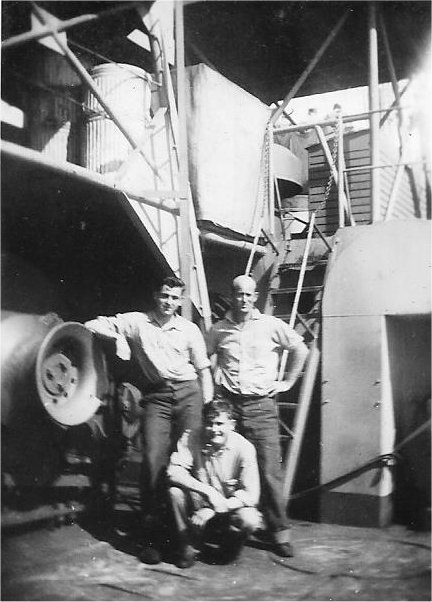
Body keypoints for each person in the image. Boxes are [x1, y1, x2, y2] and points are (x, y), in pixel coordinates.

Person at [84, 276, 214, 564]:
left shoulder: (189, 329)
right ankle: (152, 537)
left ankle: (186, 540)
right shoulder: (137, 322)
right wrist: (118, 338)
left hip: (189, 394)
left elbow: (204, 370)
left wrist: (206, 405)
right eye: (164, 295)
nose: (168, 302)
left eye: (174, 298)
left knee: (189, 462)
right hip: (157, 395)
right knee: (153, 461)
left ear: (180, 300)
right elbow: (91, 324)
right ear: (156, 295)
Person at [206, 275, 309, 558]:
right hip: (229, 407)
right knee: (226, 466)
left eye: (248, 294)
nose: (243, 299)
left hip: (261, 406)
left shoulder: (271, 325)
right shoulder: (218, 329)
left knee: (268, 469)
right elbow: (204, 357)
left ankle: (279, 533)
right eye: (238, 294)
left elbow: (301, 349)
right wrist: (212, 386)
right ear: (232, 296)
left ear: (255, 297)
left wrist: (287, 382)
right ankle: (226, 524)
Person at [167, 398, 262, 568]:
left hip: (229, 508)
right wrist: (208, 492)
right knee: (175, 493)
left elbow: (251, 496)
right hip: (199, 503)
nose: (214, 429)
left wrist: (214, 508)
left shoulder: (245, 448)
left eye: (219, 424)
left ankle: (228, 548)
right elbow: (173, 471)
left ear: (232, 425)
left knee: (250, 519)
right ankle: (188, 545)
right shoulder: (191, 437)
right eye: (209, 424)